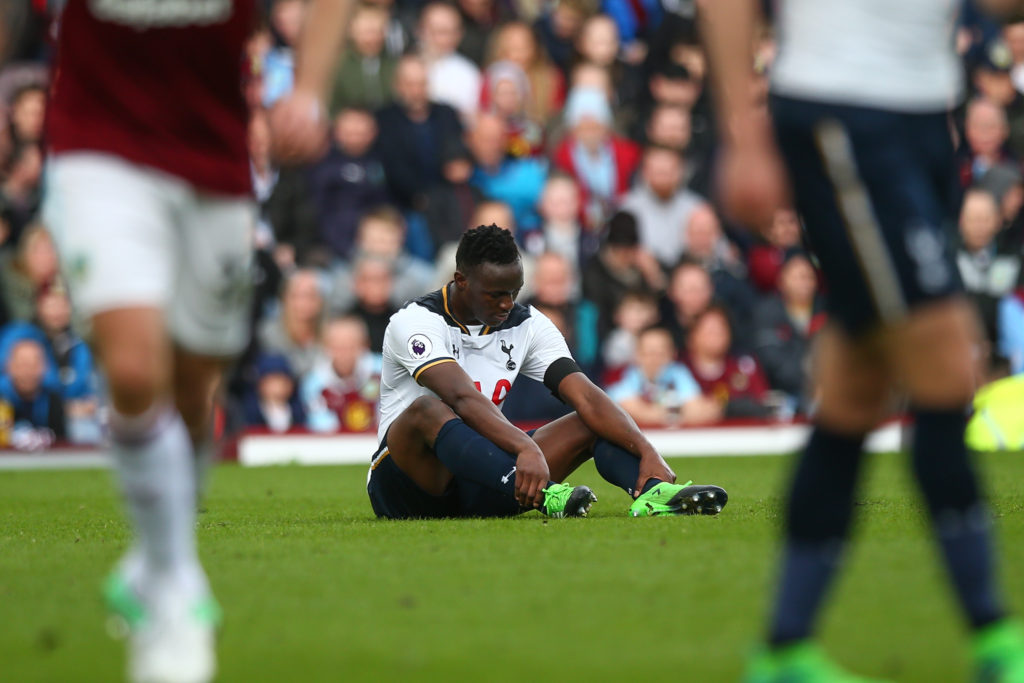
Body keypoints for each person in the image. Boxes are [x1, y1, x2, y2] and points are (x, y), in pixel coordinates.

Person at [702, 0, 1024, 678]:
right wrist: (743, 132)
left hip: (928, 119)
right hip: (841, 111)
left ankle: (786, 648)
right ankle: (997, 638)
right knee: (944, 358)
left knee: (857, 381)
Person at [43, 0, 351, 681]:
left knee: (191, 392)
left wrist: (309, 87)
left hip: (213, 159)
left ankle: (154, 561)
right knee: (131, 366)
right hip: (96, 147)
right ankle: (177, 589)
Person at [366, 224, 727, 520]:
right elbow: (461, 398)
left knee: (590, 418)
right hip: (408, 486)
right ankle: (544, 495)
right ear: (461, 281)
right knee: (429, 409)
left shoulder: (529, 323)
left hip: (485, 477)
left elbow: (584, 393)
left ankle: (653, 492)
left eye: (515, 291)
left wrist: (647, 449)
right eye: (495, 295)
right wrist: (526, 447)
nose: (507, 304)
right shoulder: (414, 322)